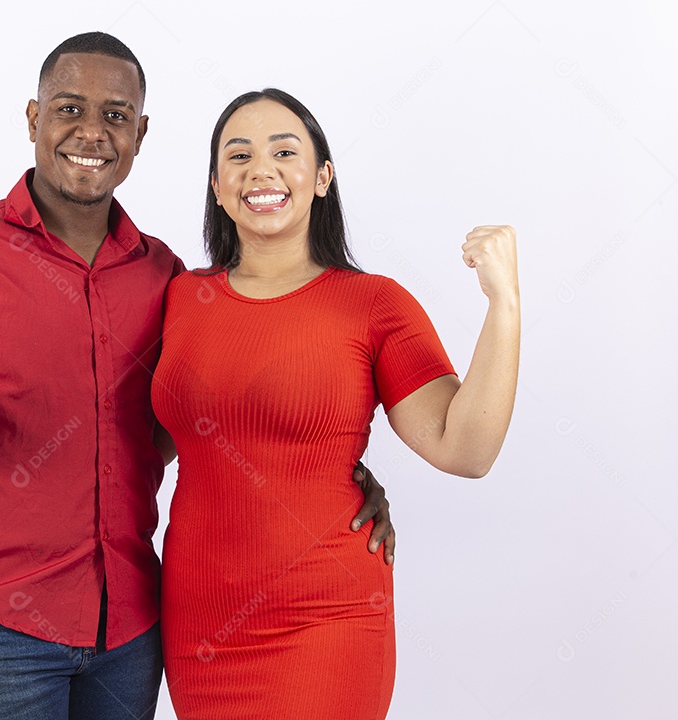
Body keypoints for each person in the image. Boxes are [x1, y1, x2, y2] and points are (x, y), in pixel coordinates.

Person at [0, 36, 397, 719]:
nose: (91, 132)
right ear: (32, 119)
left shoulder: (167, 278)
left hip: (131, 625)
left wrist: (341, 474)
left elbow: (204, 416)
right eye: (69, 108)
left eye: (115, 116)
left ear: (139, 133)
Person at [152, 88, 519, 720]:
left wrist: (504, 305)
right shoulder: (182, 297)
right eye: (238, 156)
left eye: (284, 151)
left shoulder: (373, 303)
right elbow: (156, 441)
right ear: (217, 186)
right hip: (198, 622)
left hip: (327, 617)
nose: (260, 170)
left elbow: (466, 449)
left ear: (322, 176)